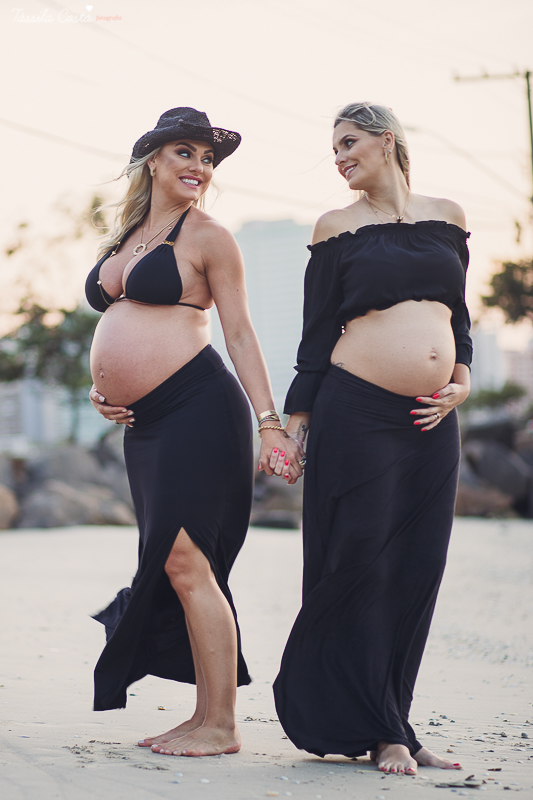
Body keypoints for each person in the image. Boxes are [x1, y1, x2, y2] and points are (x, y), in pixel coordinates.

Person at [85, 107, 303, 758]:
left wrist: (270, 423)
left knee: (187, 560)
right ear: (152, 158)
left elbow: (238, 332)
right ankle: (206, 714)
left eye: (207, 159)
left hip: (198, 409)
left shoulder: (209, 236)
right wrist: (104, 390)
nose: (198, 168)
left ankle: (222, 724)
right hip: (144, 425)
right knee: (180, 567)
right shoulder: (125, 236)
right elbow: (120, 323)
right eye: (185, 153)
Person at [273, 102, 471, 775]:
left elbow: (458, 316)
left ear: (386, 142)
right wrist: (293, 427)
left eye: (348, 142)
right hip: (354, 412)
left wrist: (462, 378)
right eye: (333, 148)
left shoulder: (448, 216)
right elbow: (315, 334)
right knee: (360, 560)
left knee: (417, 566)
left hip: (431, 419)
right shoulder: (335, 228)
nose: (338, 157)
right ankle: (377, 729)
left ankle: (397, 723)